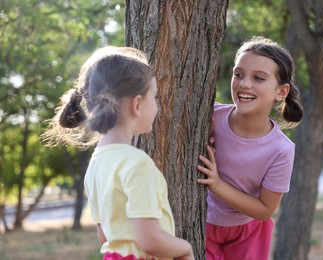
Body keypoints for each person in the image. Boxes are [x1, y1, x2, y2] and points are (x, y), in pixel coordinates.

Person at [42, 46, 194, 260]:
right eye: (155, 97)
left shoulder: (96, 165)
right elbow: (150, 241)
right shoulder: (136, 163)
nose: (157, 106)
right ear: (138, 105)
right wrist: (185, 248)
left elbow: (105, 237)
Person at [197, 36, 304, 260]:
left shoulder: (281, 149)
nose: (244, 83)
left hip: (248, 232)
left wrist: (217, 184)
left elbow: (265, 209)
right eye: (238, 74)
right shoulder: (210, 117)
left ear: (281, 92)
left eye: (258, 78)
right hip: (200, 223)